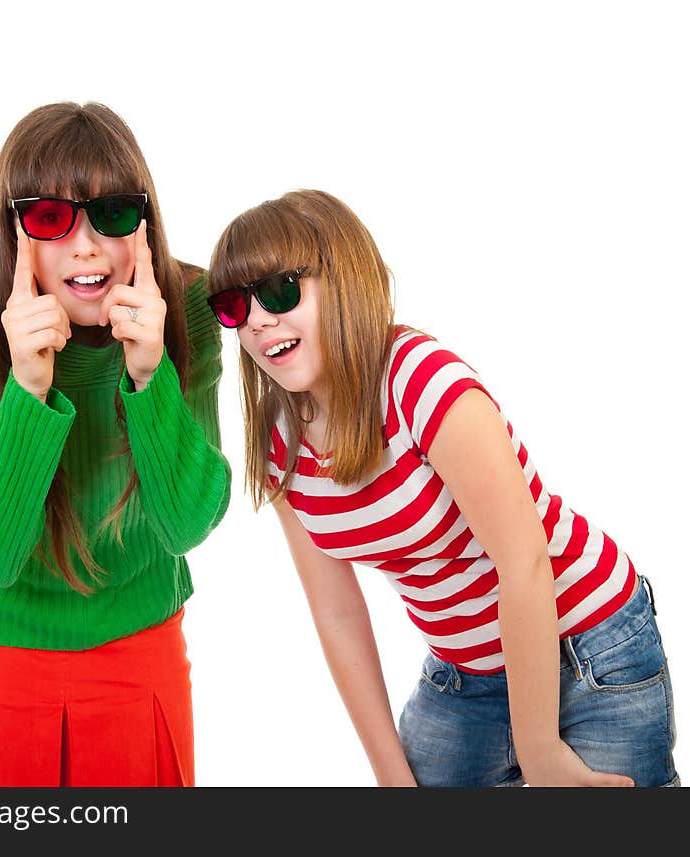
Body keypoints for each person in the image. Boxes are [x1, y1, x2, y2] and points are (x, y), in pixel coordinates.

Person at [206, 188, 679, 787]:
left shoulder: (421, 381)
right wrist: (390, 777)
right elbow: (337, 611)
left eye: (279, 290)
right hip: (466, 672)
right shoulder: (280, 446)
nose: (257, 319)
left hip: (587, 646)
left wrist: (540, 754)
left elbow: (524, 561)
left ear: (344, 279)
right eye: (232, 305)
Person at [0, 102, 230, 786]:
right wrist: (27, 389)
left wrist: (150, 376)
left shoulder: (191, 305)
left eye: (113, 214)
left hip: (140, 655)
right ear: (13, 230)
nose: (86, 246)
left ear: (144, 224)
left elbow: (186, 522)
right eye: (52, 218)